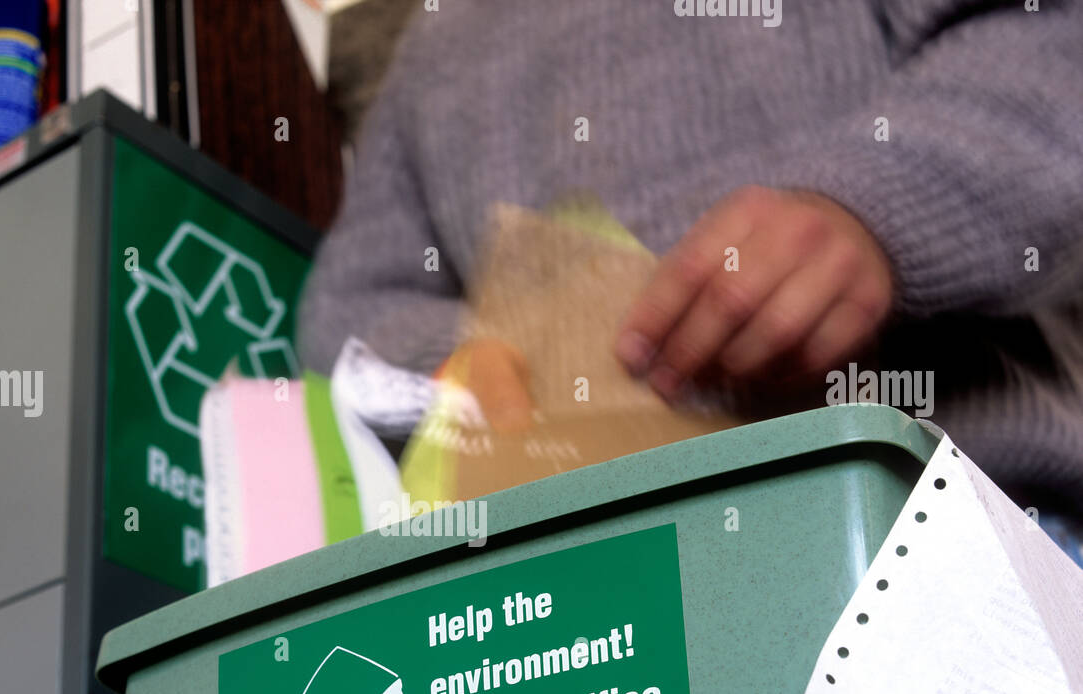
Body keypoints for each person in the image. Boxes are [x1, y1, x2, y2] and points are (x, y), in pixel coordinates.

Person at [294, 0, 1083, 548]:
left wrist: (878, 208)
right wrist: (468, 356)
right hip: (577, 585)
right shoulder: (433, 41)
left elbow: (1052, 49)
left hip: (958, 515)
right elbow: (347, 306)